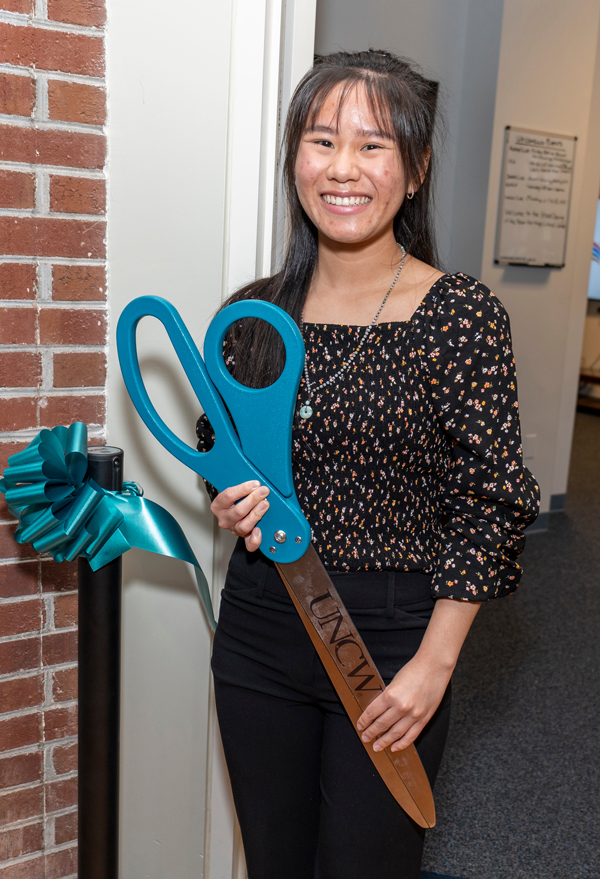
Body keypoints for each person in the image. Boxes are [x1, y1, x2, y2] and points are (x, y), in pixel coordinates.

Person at [196, 49, 540, 879]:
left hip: (390, 636)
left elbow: (491, 501)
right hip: (260, 625)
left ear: (415, 169)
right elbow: (218, 451)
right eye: (321, 141)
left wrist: (435, 664)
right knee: (274, 862)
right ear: (295, 161)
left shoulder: (459, 314)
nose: (342, 167)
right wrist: (228, 499)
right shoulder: (253, 312)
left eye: (373, 145)